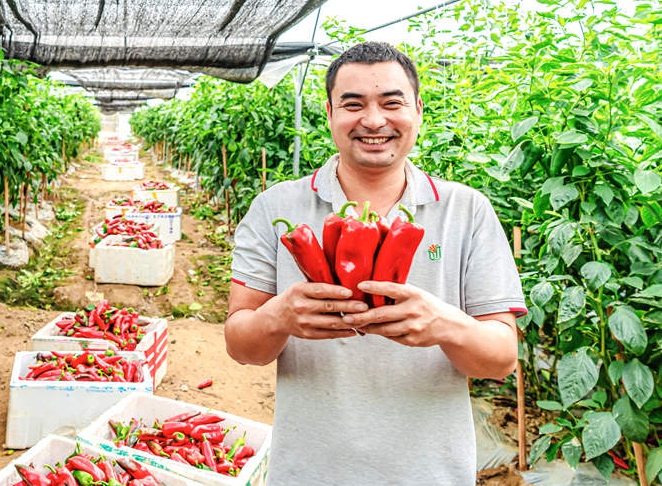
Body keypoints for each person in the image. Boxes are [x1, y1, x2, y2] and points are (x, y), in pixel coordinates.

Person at [225, 41, 527, 484]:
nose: (373, 120)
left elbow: (501, 359)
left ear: (418, 110)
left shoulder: (466, 209)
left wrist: (442, 324)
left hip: (431, 473)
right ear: (329, 114)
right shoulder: (275, 208)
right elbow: (240, 346)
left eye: (391, 102)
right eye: (353, 104)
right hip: (309, 471)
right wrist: (279, 317)